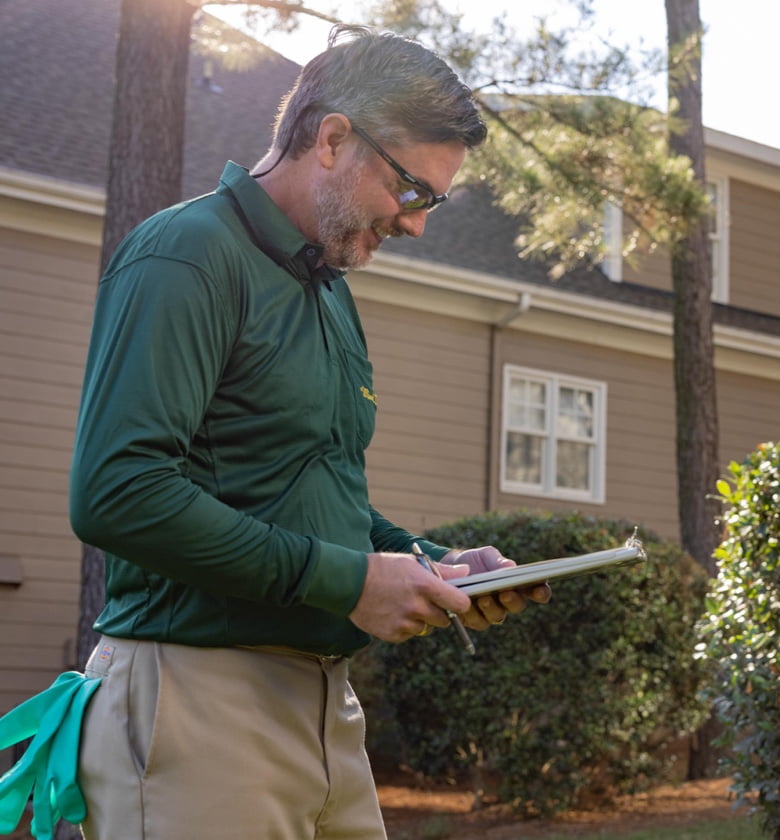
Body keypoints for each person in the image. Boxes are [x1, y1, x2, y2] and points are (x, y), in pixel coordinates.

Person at [66, 26, 549, 840]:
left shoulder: (328, 291)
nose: (417, 225)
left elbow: (313, 492)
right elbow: (117, 493)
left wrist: (433, 567)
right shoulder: (186, 255)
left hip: (327, 708)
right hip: (196, 702)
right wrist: (348, 581)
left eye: (433, 201)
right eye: (413, 191)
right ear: (332, 138)